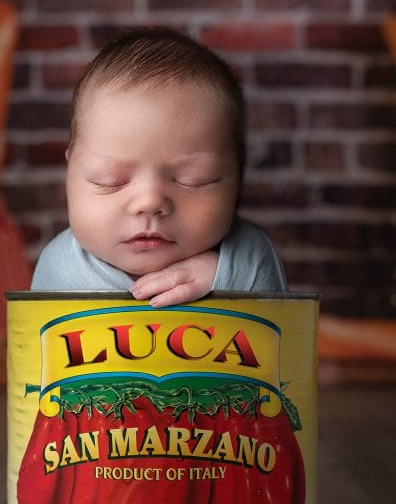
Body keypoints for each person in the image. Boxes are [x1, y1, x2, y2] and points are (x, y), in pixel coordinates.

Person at [31, 27, 287, 307]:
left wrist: (226, 279)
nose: (150, 202)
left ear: (238, 178)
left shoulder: (249, 256)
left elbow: (283, 333)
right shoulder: (60, 267)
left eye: (194, 180)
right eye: (110, 180)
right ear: (70, 176)